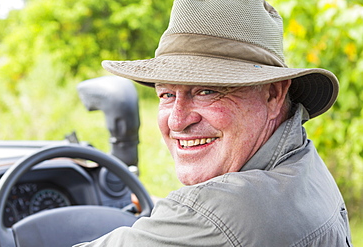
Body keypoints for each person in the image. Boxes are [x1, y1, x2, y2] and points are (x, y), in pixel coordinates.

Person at [75, 0, 353, 246]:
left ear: (273, 94)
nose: (177, 120)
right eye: (167, 94)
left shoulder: (219, 214)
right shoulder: (302, 166)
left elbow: (220, 221)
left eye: (207, 91)